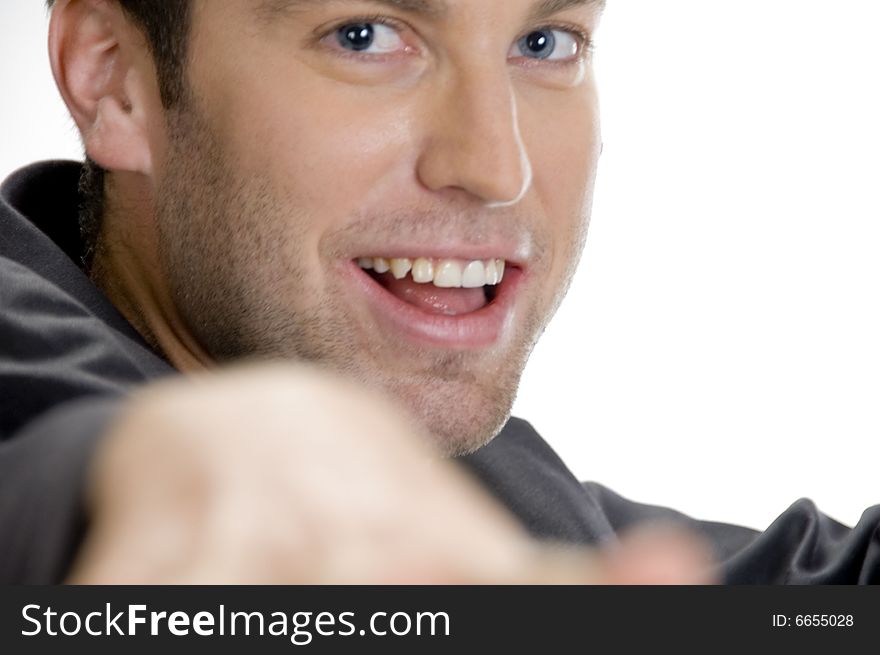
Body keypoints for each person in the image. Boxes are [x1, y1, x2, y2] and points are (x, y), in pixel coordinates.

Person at [1, 0, 877, 584]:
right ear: (114, 78)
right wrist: (114, 490)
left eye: (546, 43)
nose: (496, 167)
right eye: (365, 36)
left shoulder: (499, 510)